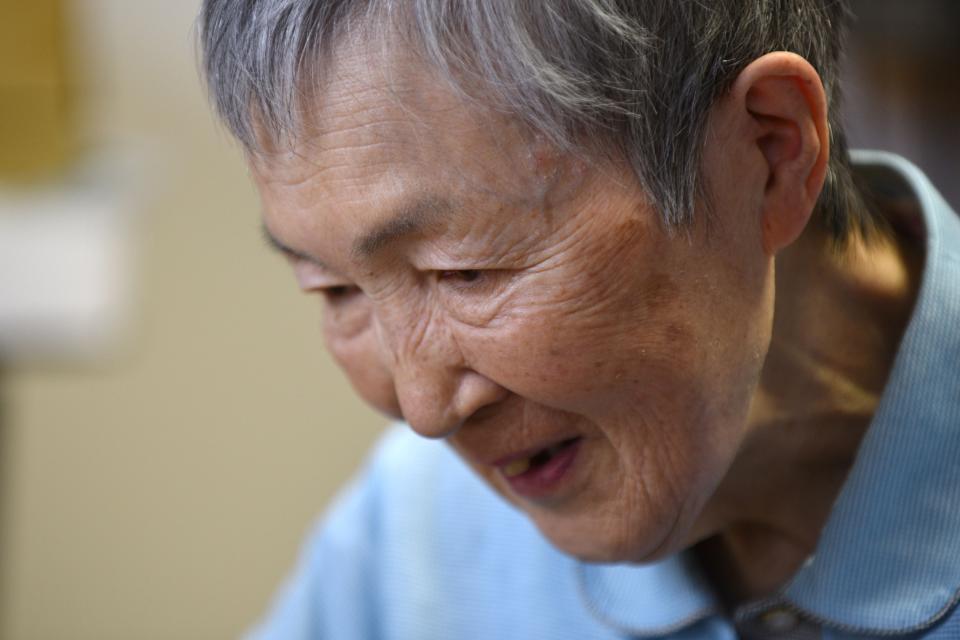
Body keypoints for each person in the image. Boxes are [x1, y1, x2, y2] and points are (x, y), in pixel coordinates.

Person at [198, 1, 960, 638]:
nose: (425, 412)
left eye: (465, 271)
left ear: (769, 153)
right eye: (333, 289)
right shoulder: (412, 538)